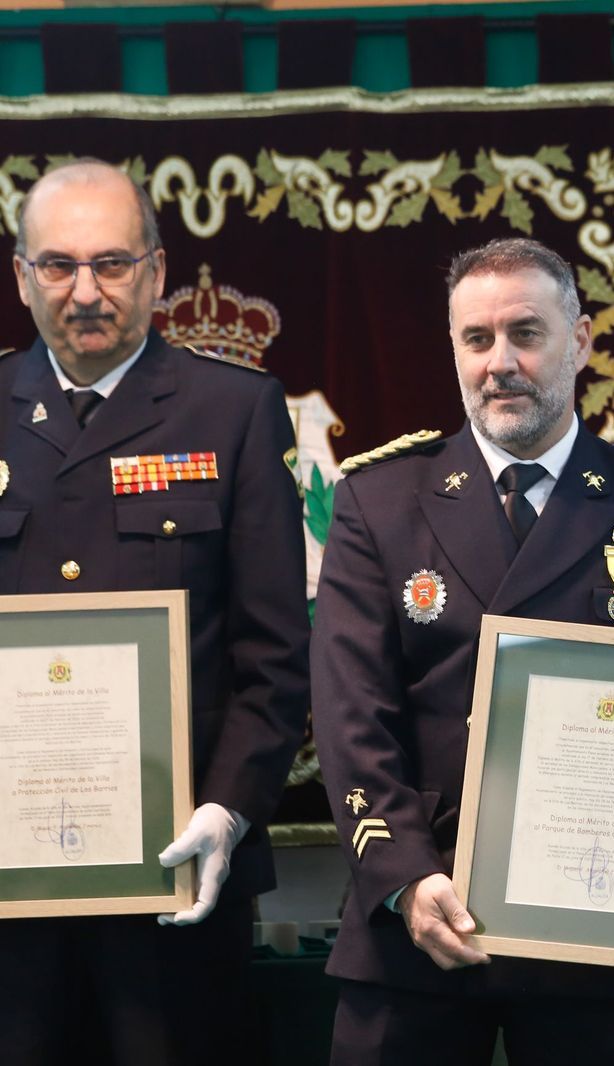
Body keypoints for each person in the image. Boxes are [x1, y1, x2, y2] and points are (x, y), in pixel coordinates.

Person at [310, 237, 614, 1066]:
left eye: (527, 333)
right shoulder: (380, 501)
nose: (500, 364)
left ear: (583, 340)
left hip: (593, 937)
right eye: (476, 340)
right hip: (419, 916)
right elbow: (352, 718)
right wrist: (408, 880)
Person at [0, 159, 310, 1066]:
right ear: (21, 276)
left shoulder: (235, 412)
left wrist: (229, 809)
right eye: (57, 265)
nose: (85, 291)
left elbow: (274, 656)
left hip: (177, 879)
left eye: (112, 263)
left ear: (158, 272)